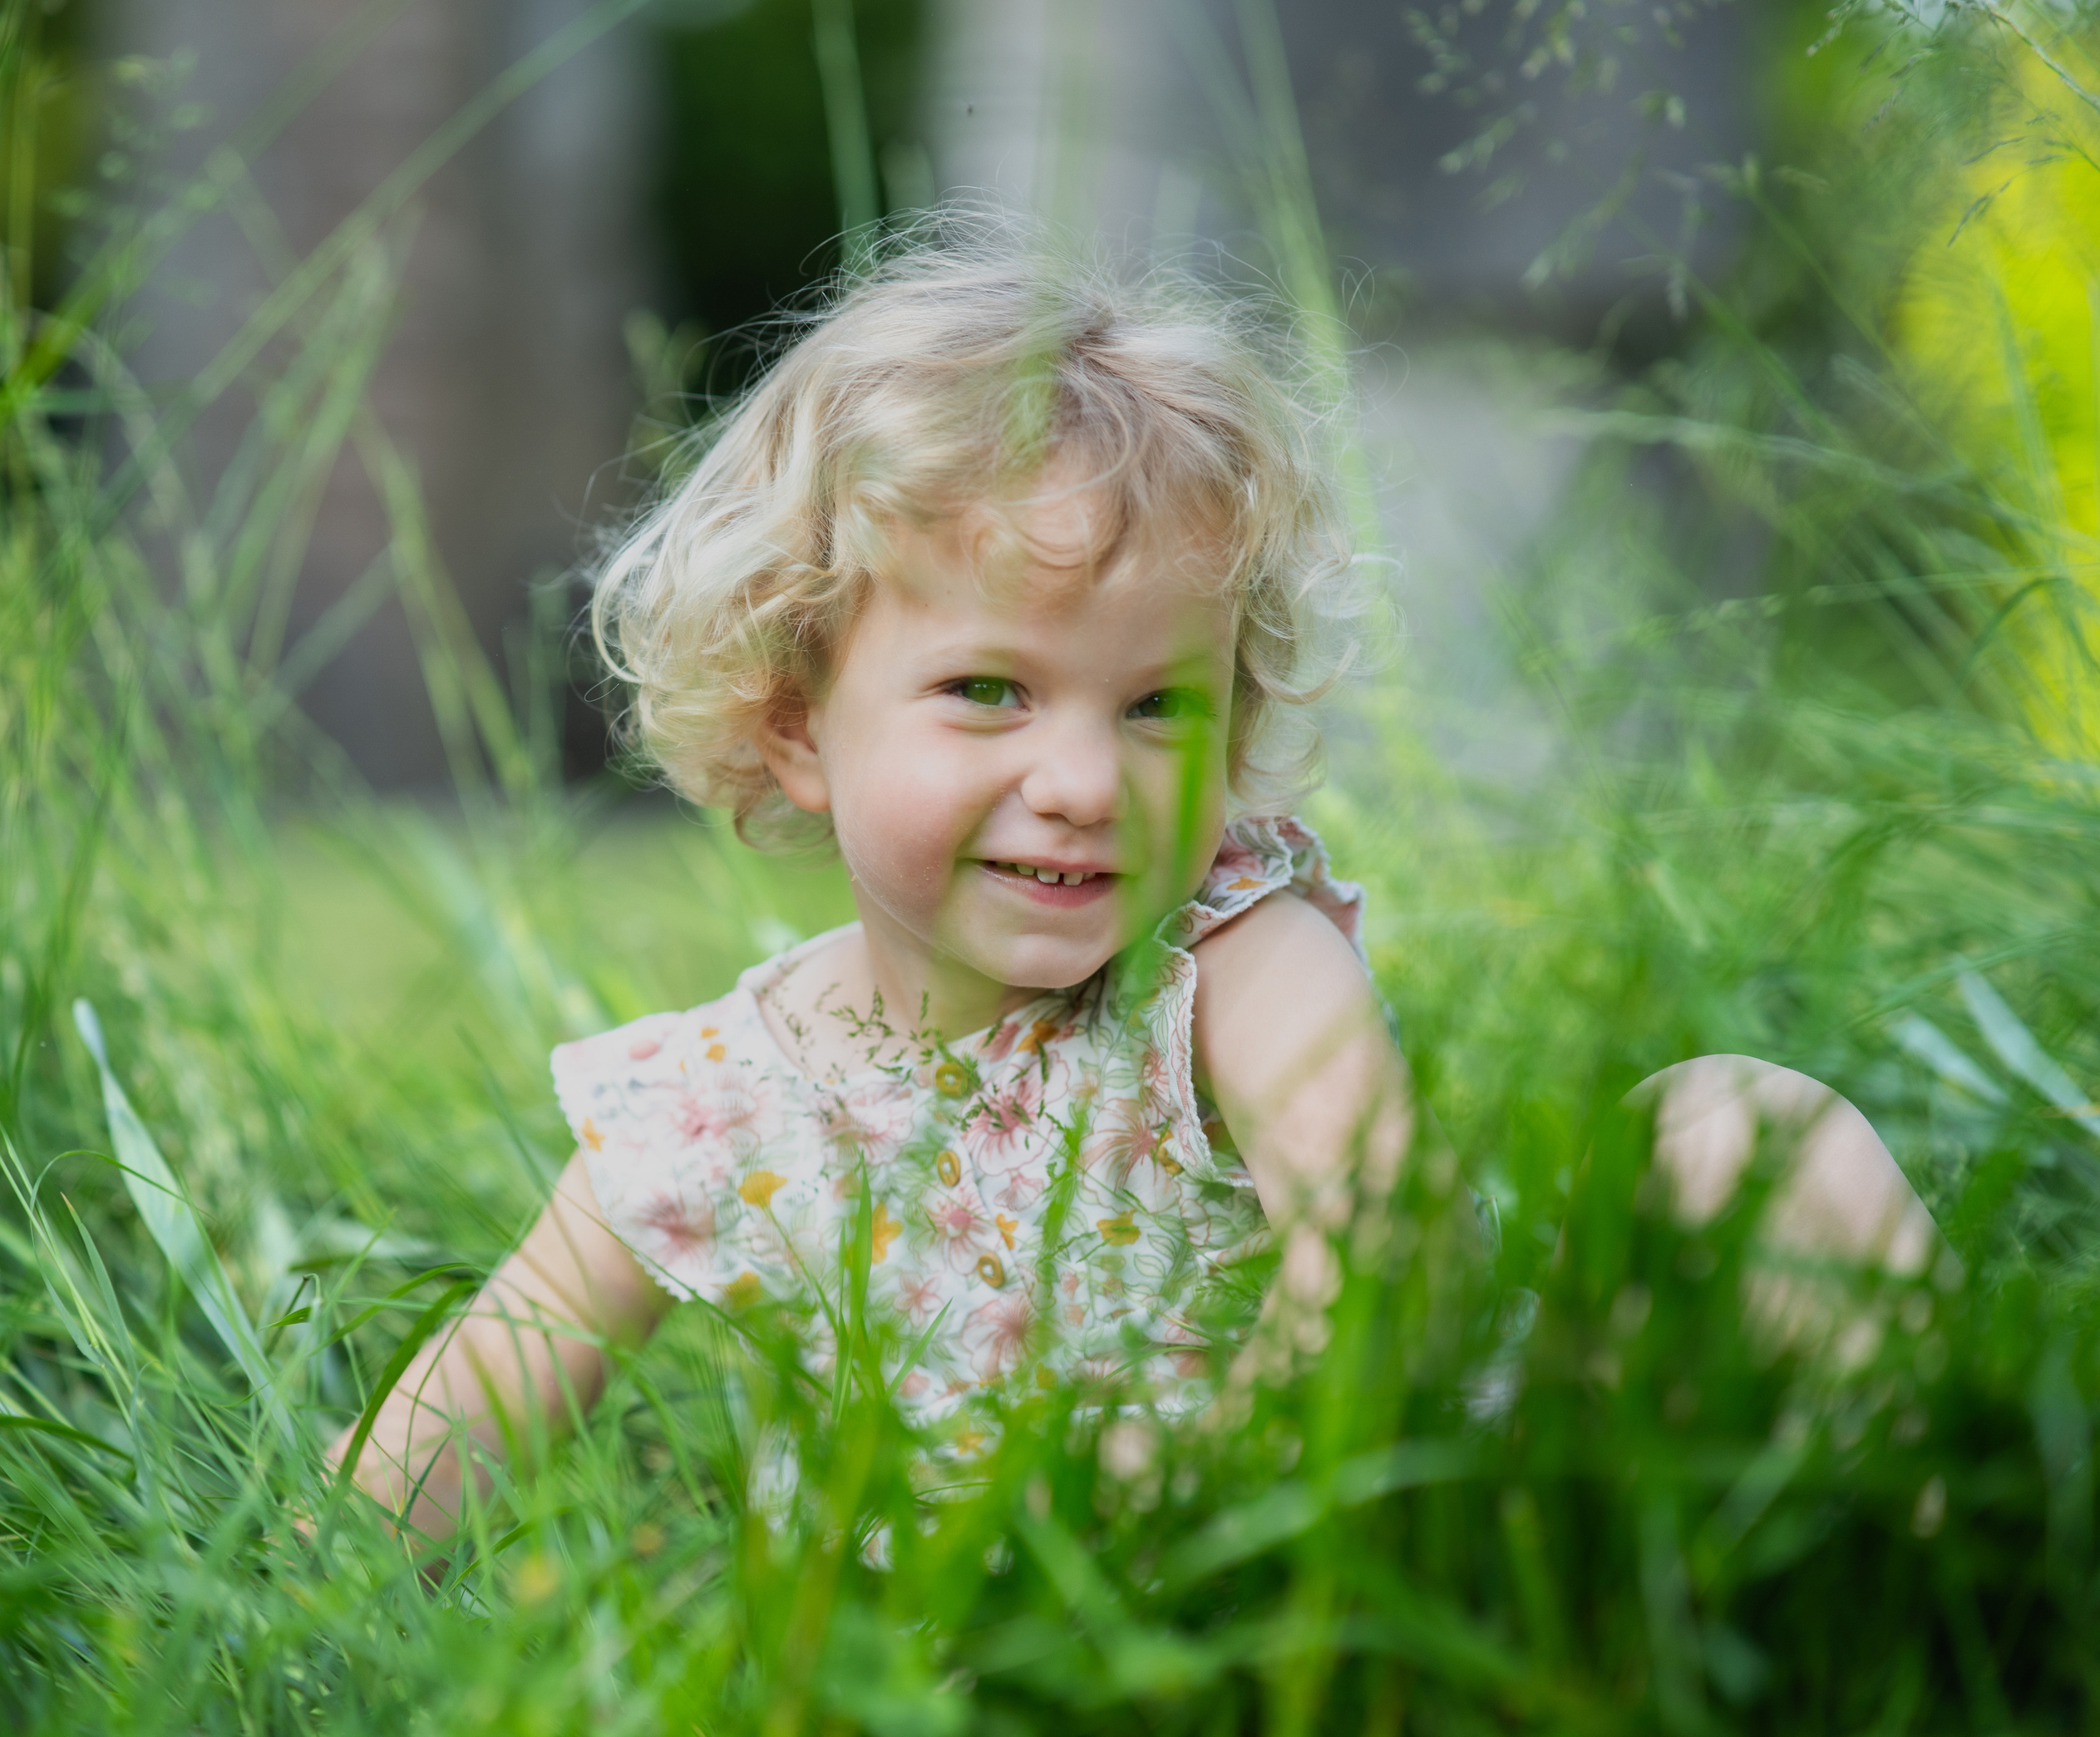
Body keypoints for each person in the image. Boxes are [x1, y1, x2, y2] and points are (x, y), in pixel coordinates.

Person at [324, 237, 1935, 1547]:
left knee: (1739, 1121)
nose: (1087, 781)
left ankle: (1934, 1565)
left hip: (1393, 1534)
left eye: (1158, 706)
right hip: (1000, 1640)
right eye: (989, 692)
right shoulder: (718, 1101)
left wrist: (1193, 1477)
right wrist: (314, 1553)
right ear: (796, 722)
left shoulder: (1230, 954)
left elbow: (1391, 1255)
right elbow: (474, 1403)